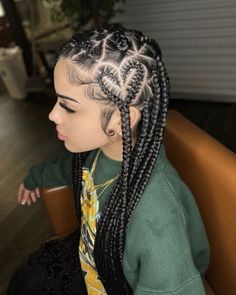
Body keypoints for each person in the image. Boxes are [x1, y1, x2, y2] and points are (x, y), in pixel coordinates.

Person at [8, 24, 210, 295]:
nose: (53, 115)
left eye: (67, 106)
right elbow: (71, 170)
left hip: (118, 285)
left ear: (120, 119)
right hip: (95, 262)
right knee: (24, 282)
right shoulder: (101, 155)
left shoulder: (158, 219)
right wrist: (36, 178)